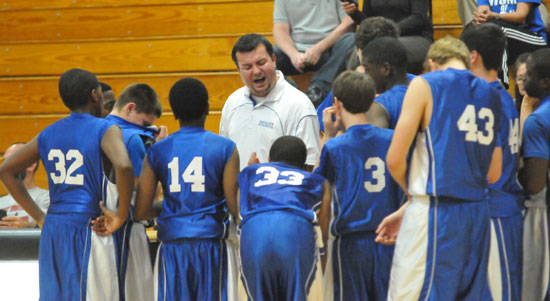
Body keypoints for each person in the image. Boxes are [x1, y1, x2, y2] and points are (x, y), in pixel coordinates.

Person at [375, 37, 503, 299]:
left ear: (432, 63)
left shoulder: (425, 83)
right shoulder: (492, 93)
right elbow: (494, 173)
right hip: (478, 215)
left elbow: (395, 159)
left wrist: (414, 199)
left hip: (435, 214)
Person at [0, 68, 134, 300]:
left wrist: (40, 217)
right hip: (90, 225)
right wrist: (121, 215)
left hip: (54, 226)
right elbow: (124, 166)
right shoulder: (105, 128)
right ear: (95, 95)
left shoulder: (48, 132)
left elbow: (7, 170)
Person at [134, 77, 240, 300]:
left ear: (173, 113)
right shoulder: (226, 147)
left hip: (172, 249)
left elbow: (142, 211)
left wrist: (176, 202)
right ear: (207, 109)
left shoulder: (156, 151)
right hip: (213, 247)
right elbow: (236, 209)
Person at [316, 71, 401, 300]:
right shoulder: (394, 138)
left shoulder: (335, 147)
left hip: (350, 245)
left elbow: (315, 188)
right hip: (389, 239)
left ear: (336, 103)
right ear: (373, 99)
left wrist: (329, 135)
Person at [461, 23, 524, 301]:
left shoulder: (484, 101)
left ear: (472, 56)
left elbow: (486, 170)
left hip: (494, 210)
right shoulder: (503, 96)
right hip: (496, 210)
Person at [238, 135, 331, 300]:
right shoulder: (317, 181)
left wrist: (252, 167)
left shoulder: (250, 172)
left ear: (269, 159)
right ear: (303, 166)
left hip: (256, 229)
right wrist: (322, 256)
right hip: (294, 230)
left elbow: (239, 209)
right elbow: (324, 231)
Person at [104, 83, 166, 301]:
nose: (148, 129)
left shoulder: (95, 127)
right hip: (125, 229)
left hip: (94, 229)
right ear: (130, 108)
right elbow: (148, 194)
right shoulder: (133, 137)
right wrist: (159, 152)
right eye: (146, 123)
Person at [221, 33, 320, 171]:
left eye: (261, 63)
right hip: (240, 192)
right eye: (247, 67)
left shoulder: (300, 106)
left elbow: (309, 168)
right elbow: (225, 161)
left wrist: (263, 180)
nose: (256, 71)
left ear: (274, 60)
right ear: (238, 70)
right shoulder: (232, 102)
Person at [316, 17, 401, 132]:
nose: (371, 61)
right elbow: (319, 130)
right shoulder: (346, 87)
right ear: (357, 51)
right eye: (366, 53)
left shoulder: (412, 91)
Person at [272, 0, 355, 105]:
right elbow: (280, 31)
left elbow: (348, 24)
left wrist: (319, 48)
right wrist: (293, 54)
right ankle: (293, 94)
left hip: (330, 51)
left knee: (351, 40)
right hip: (296, 54)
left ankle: (317, 90)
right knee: (268, 55)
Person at [518, 48, 550, 301]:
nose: (523, 82)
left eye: (528, 76)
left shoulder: (537, 121)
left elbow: (535, 184)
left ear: (545, 82)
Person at [341, 0, 433, 75]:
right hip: (381, 38)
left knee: (382, 49)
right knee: (355, 51)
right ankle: (352, 91)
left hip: (417, 38)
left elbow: (419, 18)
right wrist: (354, 13)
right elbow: (368, 21)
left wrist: (388, 31)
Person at [472, 0, 548, 86]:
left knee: (498, 31)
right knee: (473, 29)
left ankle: (501, 83)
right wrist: (481, 18)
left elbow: (521, 15)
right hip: (508, 37)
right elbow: (484, 14)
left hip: (534, 37)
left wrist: (495, 15)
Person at [362, 37, 410, 129]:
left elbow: (375, 142)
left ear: (385, 69)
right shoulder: (424, 93)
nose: (365, 76)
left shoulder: (379, 106)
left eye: (367, 70)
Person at [0, 143, 49, 229]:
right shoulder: (1, 201)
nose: (5, 166)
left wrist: (27, 226)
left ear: (31, 165)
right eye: (5, 161)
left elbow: (51, 224)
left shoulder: (48, 197)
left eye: (11, 160)